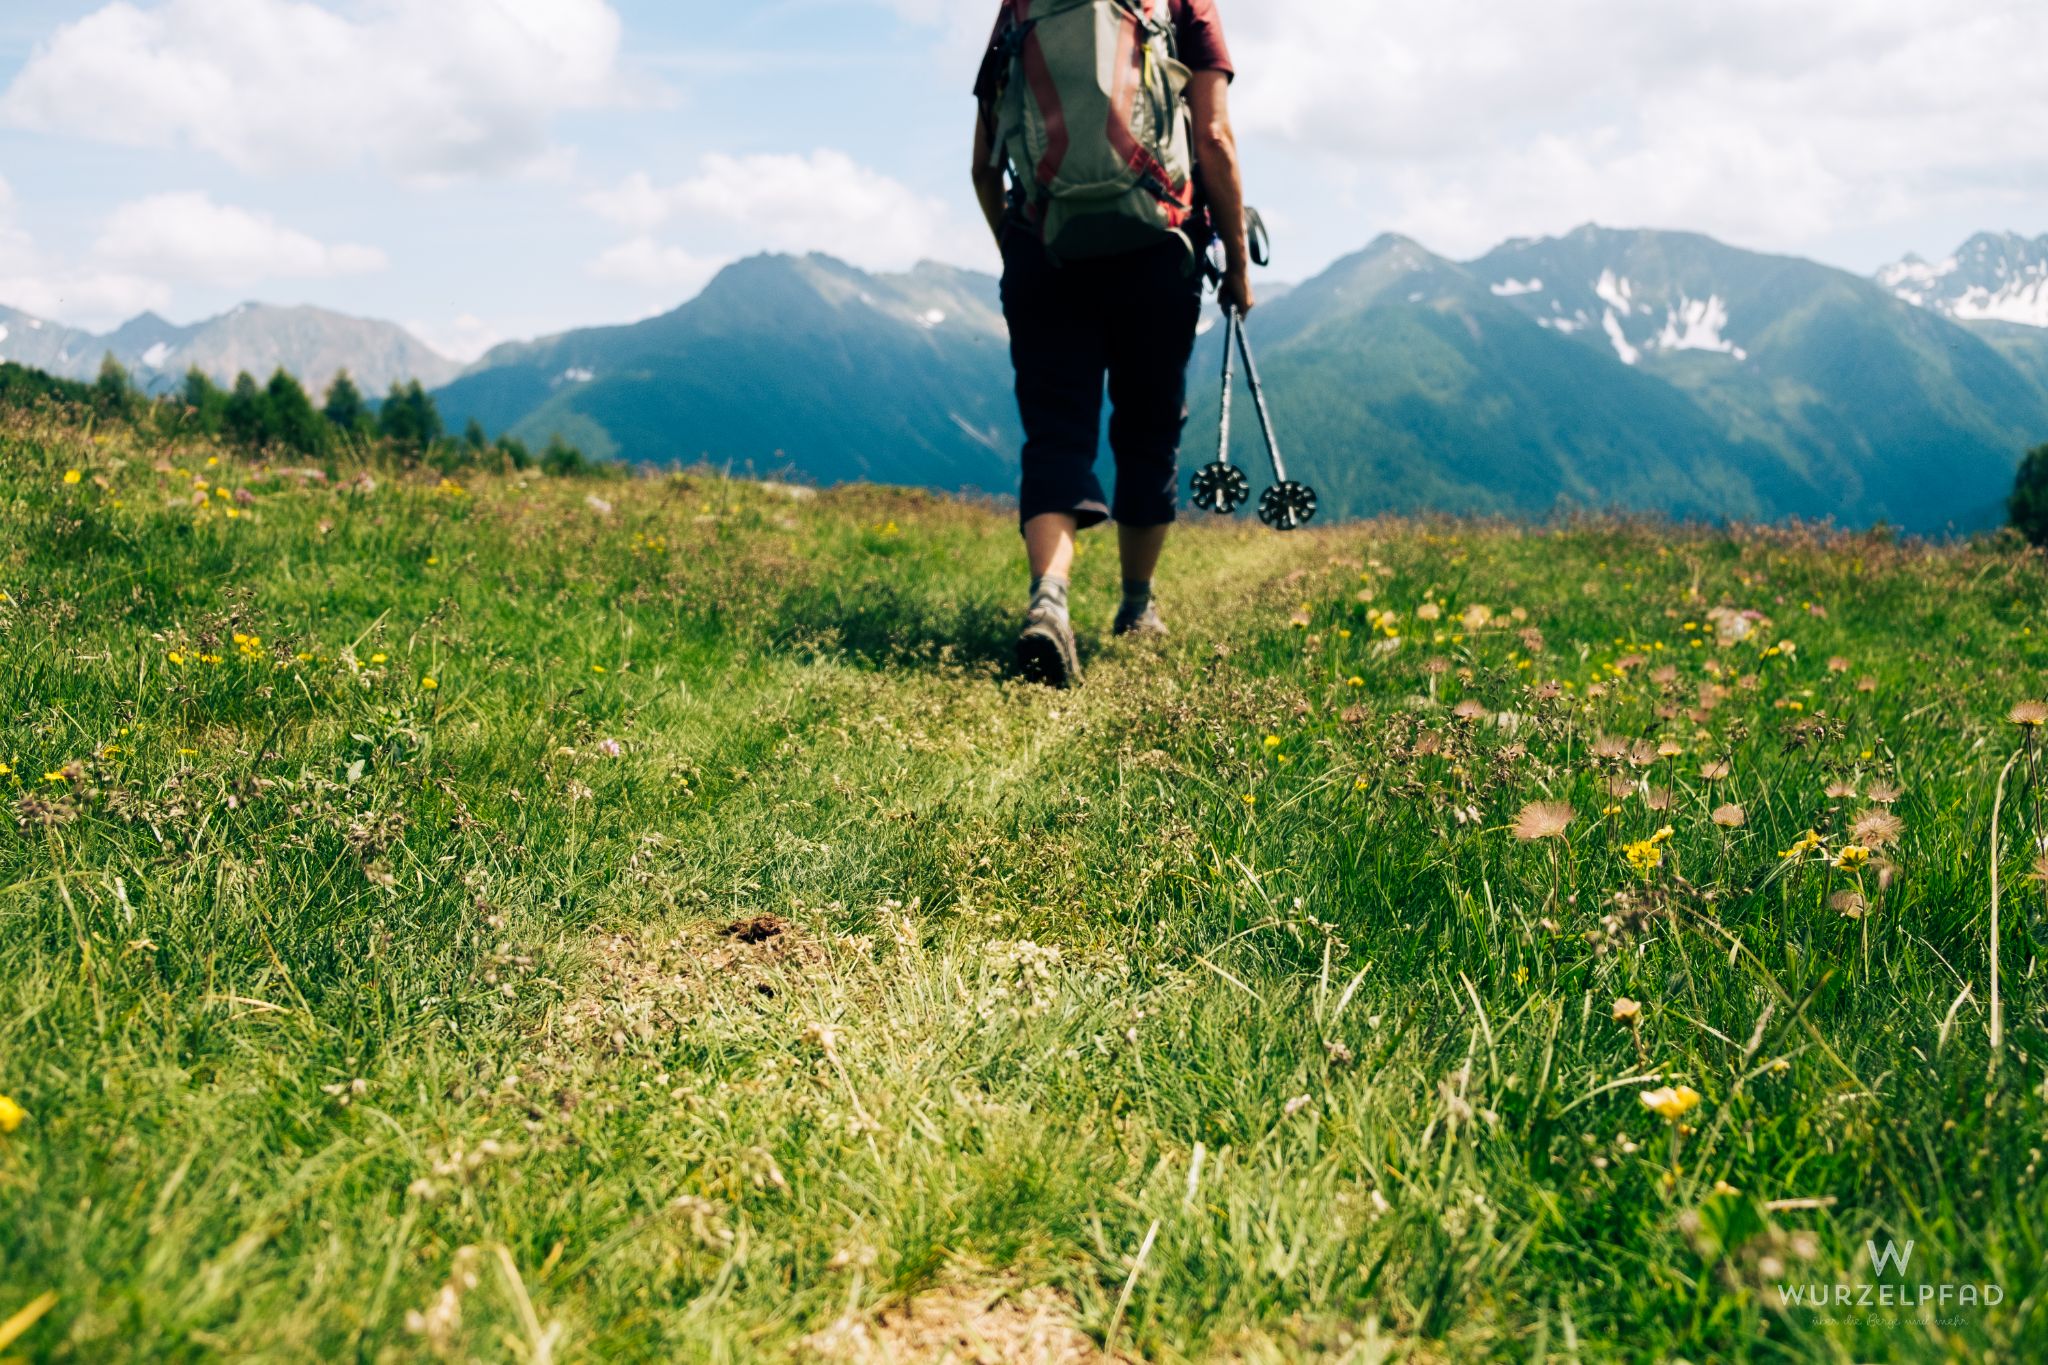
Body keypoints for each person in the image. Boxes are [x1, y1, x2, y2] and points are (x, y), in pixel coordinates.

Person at [972, 0, 1254, 688]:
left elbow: (983, 164)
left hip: (1046, 246)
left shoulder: (1022, 5)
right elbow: (1214, 136)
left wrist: (1021, 248)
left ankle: (1049, 600)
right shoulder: (1184, 4)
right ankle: (1137, 605)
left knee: (1055, 431)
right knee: (1148, 426)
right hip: (1157, 250)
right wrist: (1239, 263)